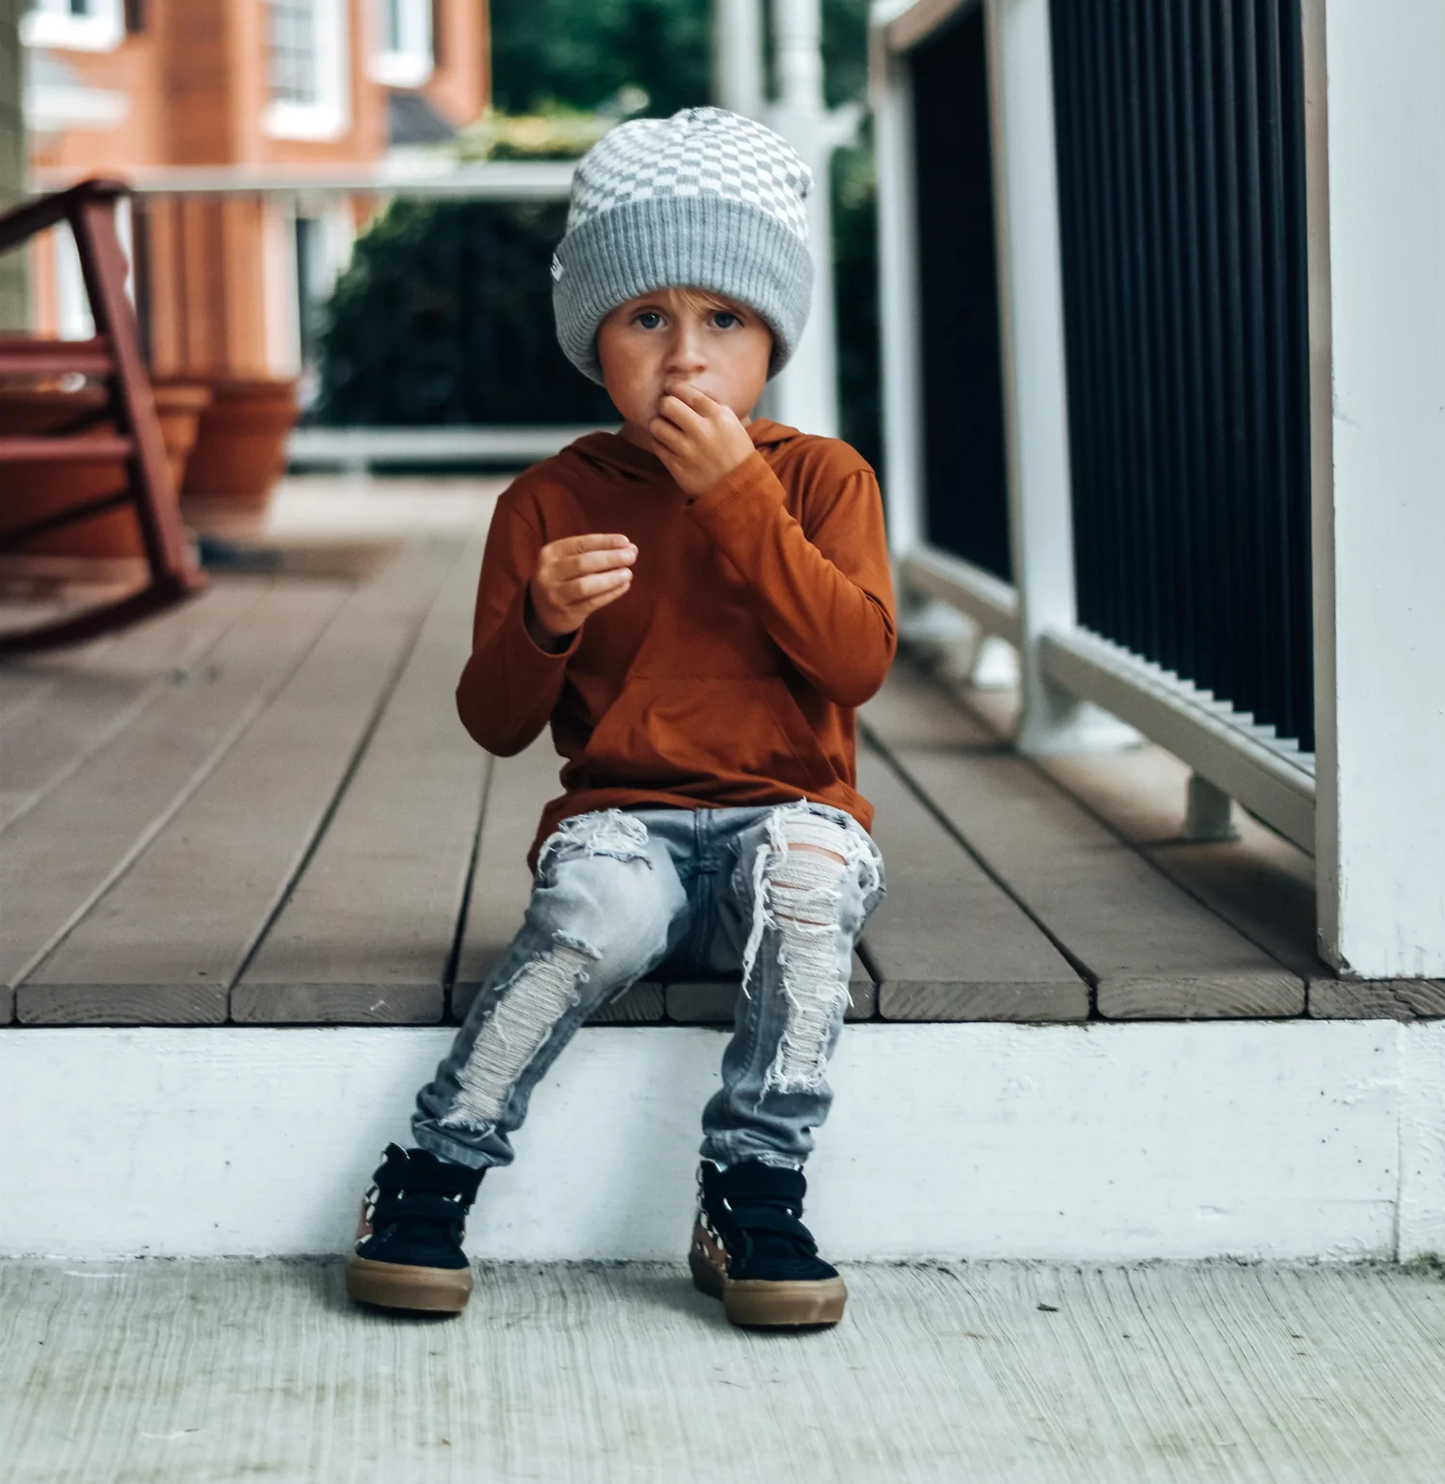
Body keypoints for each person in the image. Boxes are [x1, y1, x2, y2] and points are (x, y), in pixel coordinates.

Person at [344, 106, 895, 1329]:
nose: (686, 357)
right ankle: (433, 1168)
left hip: (786, 823)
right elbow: (493, 722)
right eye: (648, 318)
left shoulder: (819, 479)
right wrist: (539, 623)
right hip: (625, 828)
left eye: (724, 321)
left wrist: (739, 500)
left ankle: (754, 1185)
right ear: (595, 341)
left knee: (811, 871)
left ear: (773, 343)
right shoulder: (550, 500)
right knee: (594, 902)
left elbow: (853, 662)